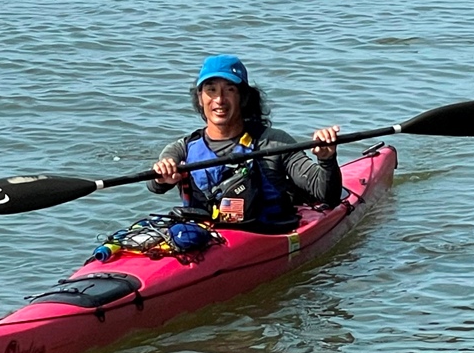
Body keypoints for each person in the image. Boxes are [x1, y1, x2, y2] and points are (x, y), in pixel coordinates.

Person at [147, 54, 342, 233]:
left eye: (229, 90)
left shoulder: (274, 143)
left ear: (244, 97)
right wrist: (162, 178)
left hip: (266, 237)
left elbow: (327, 196)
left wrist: (326, 159)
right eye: (211, 90)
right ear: (200, 98)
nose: (219, 100)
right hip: (204, 240)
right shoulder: (181, 149)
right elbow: (154, 185)